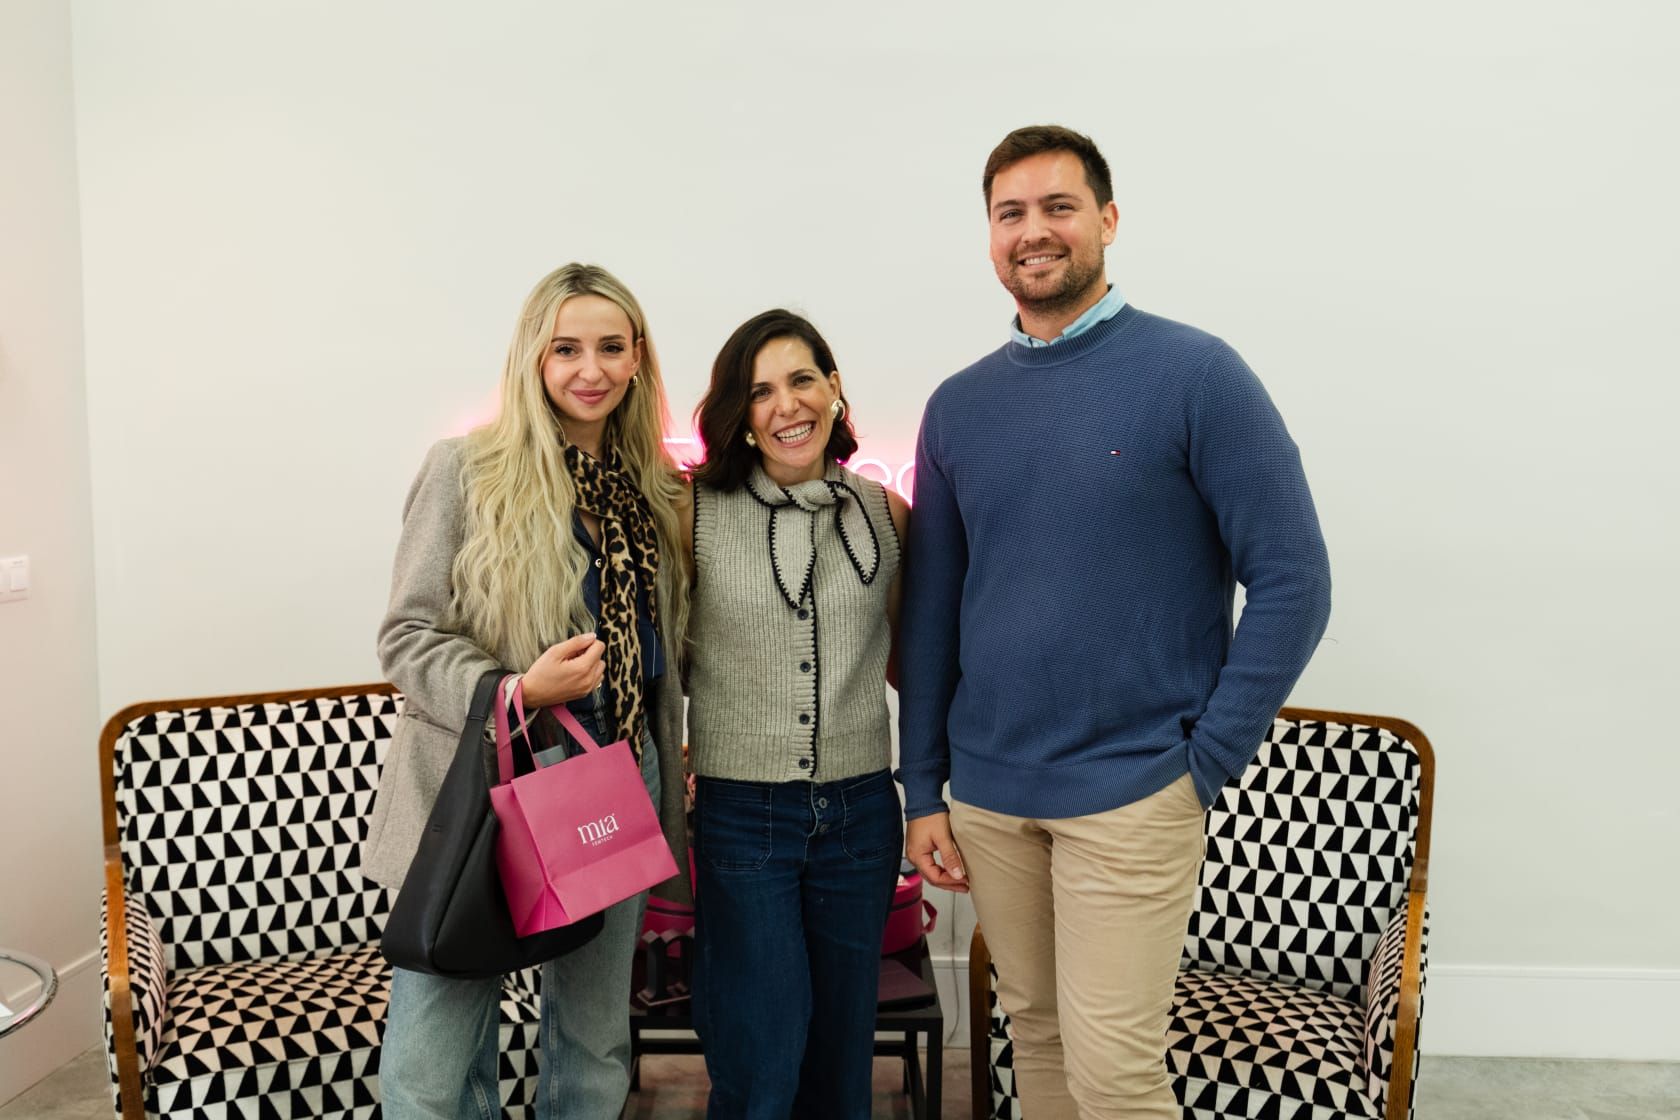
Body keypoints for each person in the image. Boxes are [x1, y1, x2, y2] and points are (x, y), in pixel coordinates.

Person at [897, 124, 1332, 1119]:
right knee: (1036, 1042)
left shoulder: (1197, 375)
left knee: (1115, 1073)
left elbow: (1295, 579)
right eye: (1011, 213)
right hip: (994, 796)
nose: (1034, 231)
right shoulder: (958, 407)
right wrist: (924, 788)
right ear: (990, 237)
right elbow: (931, 613)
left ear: (1108, 219)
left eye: (1058, 206)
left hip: (1136, 789)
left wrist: (1208, 758)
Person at [363, 263, 691, 1120]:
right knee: (433, 1061)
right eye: (566, 348)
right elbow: (405, 635)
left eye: (611, 347)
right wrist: (513, 688)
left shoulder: (653, 492)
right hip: (488, 788)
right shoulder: (466, 470)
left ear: (637, 358)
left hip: (619, 775)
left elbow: (663, 649)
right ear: (532, 359)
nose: (591, 369)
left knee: (593, 1039)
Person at [683, 309, 909, 1120]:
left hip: (861, 816)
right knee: (760, 1060)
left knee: (842, 1064)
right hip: (746, 816)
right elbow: (662, 664)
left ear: (835, 388)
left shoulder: (885, 513)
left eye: (802, 380)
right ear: (740, 416)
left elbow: (907, 666)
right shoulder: (695, 513)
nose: (787, 406)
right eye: (761, 392)